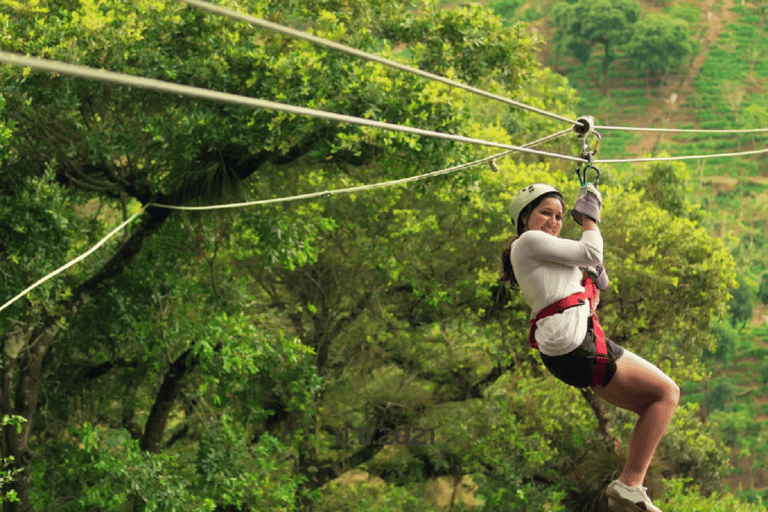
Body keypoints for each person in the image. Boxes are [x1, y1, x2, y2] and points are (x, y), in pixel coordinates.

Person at [499, 183, 680, 512]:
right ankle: (629, 485)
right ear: (525, 217)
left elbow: (582, 270)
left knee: (651, 409)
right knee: (667, 393)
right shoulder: (527, 241)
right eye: (545, 213)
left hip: (566, 353)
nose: (554, 221)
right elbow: (591, 251)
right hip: (576, 346)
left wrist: (589, 279)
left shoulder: (544, 255)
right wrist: (589, 219)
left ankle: (627, 492)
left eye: (559, 216)